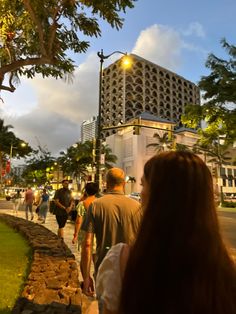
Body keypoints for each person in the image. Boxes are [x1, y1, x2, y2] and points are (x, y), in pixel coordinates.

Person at [95, 151, 236, 314]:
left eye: (143, 184)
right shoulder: (225, 269)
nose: (140, 193)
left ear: (157, 195)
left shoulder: (121, 262)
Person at [80, 167, 142, 297]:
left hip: (104, 269)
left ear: (106, 183)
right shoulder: (137, 206)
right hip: (132, 270)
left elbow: (87, 244)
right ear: (124, 183)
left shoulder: (96, 205)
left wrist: (86, 277)